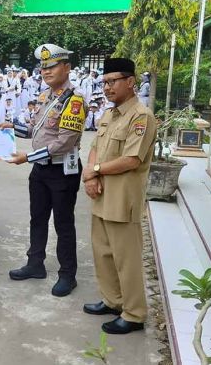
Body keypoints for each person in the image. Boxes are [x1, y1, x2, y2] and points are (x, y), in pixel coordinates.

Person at [81, 57, 157, 335]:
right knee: (103, 254)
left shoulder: (141, 117)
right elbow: (95, 147)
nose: (107, 87)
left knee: (127, 260)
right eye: (104, 82)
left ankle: (134, 313)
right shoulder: (108, 114)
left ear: (131, 82)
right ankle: (113, 301)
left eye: (113, 82)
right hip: (101, 195)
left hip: (123, 199)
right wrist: (91, 173)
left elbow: (132, 160)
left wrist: (94, 171)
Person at [4, 43, 86, 298]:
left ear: (66, 68)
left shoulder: (75, 101)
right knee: (37, 218)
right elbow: (34, 130)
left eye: (52, 66)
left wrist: (27, 156)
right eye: (43, 67)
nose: (46, 72)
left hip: (63, 171)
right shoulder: (46, 97)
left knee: (63, 223)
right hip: (40, 170)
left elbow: (64, 142)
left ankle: (67, 275)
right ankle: (35, 263)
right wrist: (7, 128)